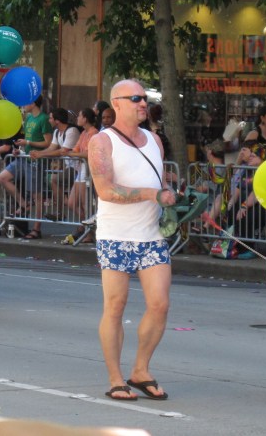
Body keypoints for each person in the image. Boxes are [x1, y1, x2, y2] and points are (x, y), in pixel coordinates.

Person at [87, 79, 176, 402]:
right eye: (136, 98)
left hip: (151, 236)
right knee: (115, 306)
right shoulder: (101, 142)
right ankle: (115, 379)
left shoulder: (154, 140)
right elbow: (106, 190)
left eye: (145, 98)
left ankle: (141, 370)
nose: (143, 103)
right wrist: (151, 194)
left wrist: (170, 197)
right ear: (118, 103)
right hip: (115, 236)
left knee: (160, 304)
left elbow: (159, 181)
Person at [26, 107, 79, 239]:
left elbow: (63, 151)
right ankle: (62, 210)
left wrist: (40, 154)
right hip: (69, 167)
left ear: (57, 120)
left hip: (78, 167)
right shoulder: (57, 132)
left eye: (50, 118)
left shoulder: (71, 131)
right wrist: (39, 153)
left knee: (55, 180)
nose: (49, 120)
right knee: (56, 182)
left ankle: (61, 211)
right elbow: (52, 148)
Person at [0, 96, 51, 216]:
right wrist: (19, 149)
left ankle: (37, 227)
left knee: (36, 194)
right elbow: (27, 139)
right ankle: (23, 204)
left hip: (35, 159)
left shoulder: (43, 119)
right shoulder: (28, 118)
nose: (23, 105)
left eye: (26, 102)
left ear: (33, 103)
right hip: (25, 156)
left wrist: (28, 143)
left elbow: (47, 142)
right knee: (2, 177)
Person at [65, 107, 100, 229]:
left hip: (88, 169)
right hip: (81, 169)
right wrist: (72, 152)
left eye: (80, 116)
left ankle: (89, 231)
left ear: (85, 118)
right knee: (71, 203)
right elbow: (77, 148)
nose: (78, 118)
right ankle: (86, 226)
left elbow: (88, 153)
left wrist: (72, 154)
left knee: (85, 202)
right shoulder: (84, 133)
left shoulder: (94, 133)